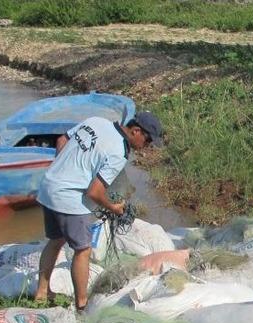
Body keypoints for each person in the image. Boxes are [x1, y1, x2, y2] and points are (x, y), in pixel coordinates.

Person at [33, 111, 163, 312]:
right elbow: (95, 192)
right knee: (83, 250)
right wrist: (113, 207)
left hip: (48, 185)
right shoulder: (119, 152)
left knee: (56, 240)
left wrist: (62, 168)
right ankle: (82, 305)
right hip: (68, 197)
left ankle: (42, 293)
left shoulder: (96, 121)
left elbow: (61, 139)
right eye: (147, 142)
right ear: (136, 131)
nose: (145, 147)